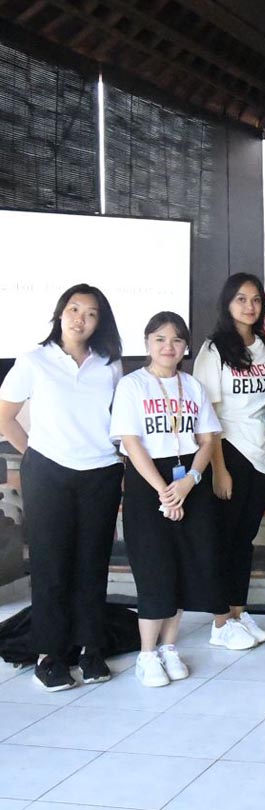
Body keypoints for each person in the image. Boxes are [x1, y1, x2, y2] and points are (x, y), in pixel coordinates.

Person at [0, 285, 123, 691]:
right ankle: (48, 656)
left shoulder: (109, 364)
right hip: (49, 474)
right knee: (50, 567)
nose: (80, 319)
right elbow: (5, 416)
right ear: (59, 313)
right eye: (73, 309)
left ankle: (90, 649)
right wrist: (35, 454)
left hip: (100, 472)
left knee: (93, 564)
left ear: (100, 322)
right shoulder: (34, 360)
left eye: (90, 313)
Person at [110, 312, 221, 687]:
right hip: (148, 484)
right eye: (159, 339)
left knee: (182, 568)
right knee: (154, 570)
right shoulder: (132, 385)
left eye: (176, 340)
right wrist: (163, 491)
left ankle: (169, 647)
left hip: (189, 481)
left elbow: (207, 441)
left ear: (186, 346)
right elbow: (131, 443)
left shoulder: (192, 386)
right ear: (147, 343)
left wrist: (190, 481)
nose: (168, 346)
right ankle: (147, 654)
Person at [192, 273, 265, 651]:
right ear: (227, 303)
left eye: (255, 299)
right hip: (230, 452)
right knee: (224, 540)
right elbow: (207, 414)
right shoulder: (213, 350)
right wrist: (219, 469)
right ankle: (220, 621)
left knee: (245, 540)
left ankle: (239, 614)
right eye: (241, 299)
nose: (249, 306)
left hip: (264, 454)